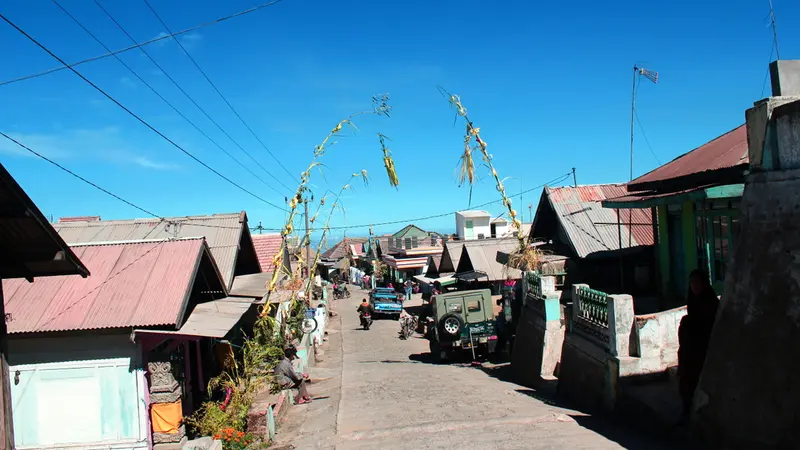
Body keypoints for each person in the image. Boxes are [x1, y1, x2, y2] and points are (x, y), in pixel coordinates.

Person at [677, 269, 719, 423]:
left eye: (697, 283)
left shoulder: (710, 301)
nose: (694, 287)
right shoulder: (692, 301)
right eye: (691, 283)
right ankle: (685, 410)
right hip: (689, 350)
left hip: (702, 348)